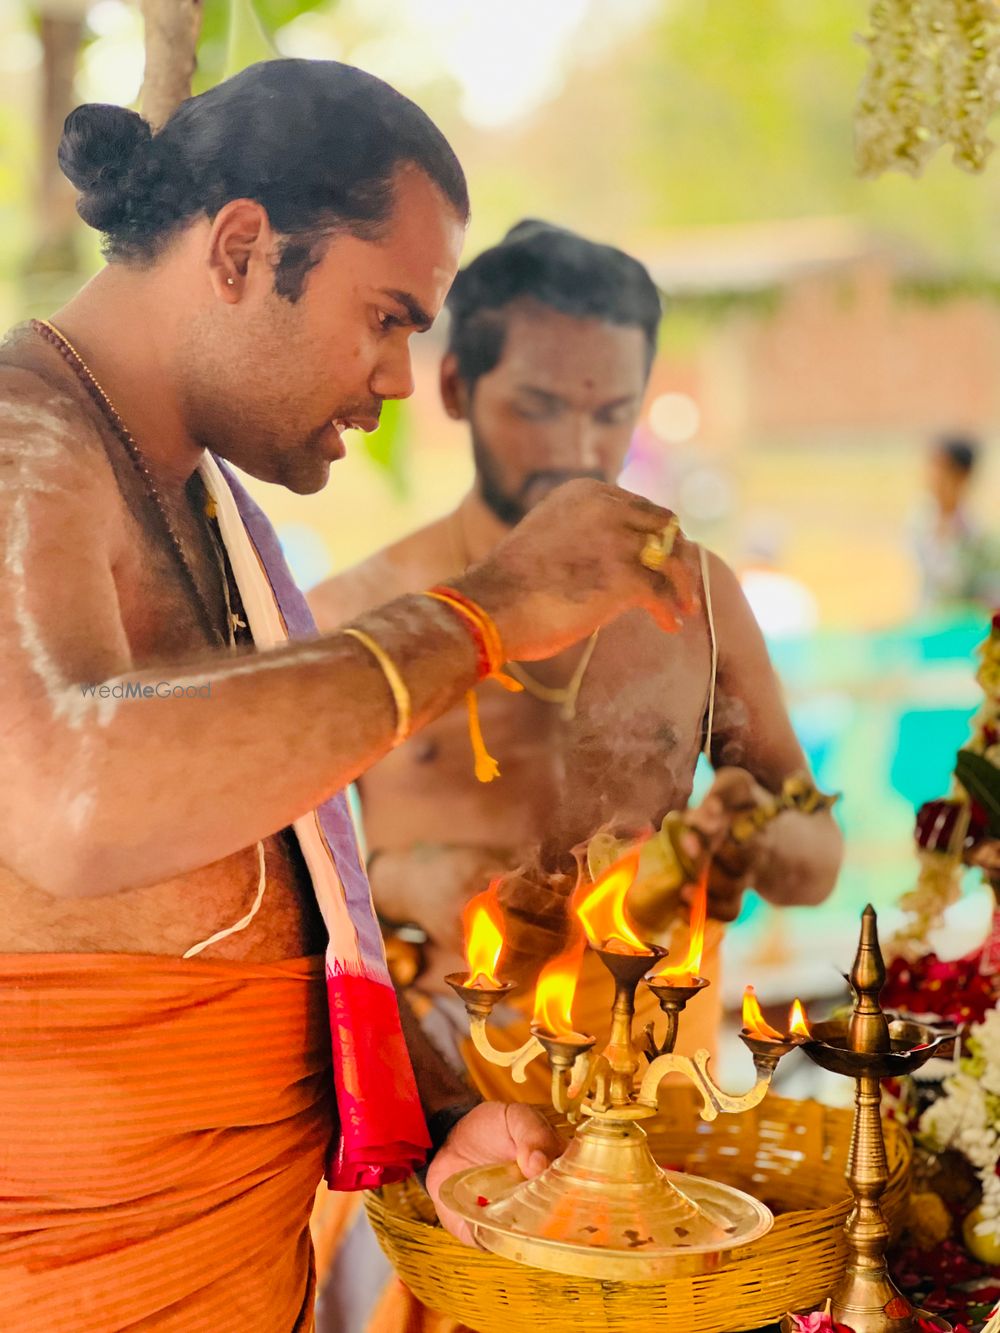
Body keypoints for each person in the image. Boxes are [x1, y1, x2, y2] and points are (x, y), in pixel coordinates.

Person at [0, 63, 701, 1332]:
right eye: (386, 315)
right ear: (241, 248)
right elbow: (69, 795)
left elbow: (261, 896)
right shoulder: (20, 448)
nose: (395, 378)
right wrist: (479, 616)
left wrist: (437, 1112)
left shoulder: (208, 506)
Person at [309, 221, 844, 1106]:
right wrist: (406, 878)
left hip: (660, 1076)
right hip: (441, 1071)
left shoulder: (695, 594)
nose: (579, 451)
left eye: (610, 413)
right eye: (538, 406)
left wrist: (750, 841)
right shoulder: (362, 611)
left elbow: (817, 858)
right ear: (454, 385)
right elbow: (291, 890)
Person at [913, 434, 1000, 612]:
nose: (933, 477)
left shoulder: (980, 537)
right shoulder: (919, 523)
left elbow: (990, 600)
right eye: (932, 467)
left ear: (963, 476)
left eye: (941, 469)